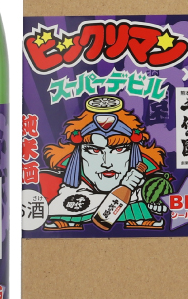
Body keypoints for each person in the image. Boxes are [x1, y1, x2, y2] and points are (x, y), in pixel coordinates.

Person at [42, 96, 168, 230]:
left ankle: (139, 217)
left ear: (133, 152)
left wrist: (151, 200)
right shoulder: (75, 175)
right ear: (79, 153)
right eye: (94, 150)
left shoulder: (140, 171)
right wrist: (136, 198)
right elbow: (62, 203)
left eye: (119, 150)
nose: (107, 163)